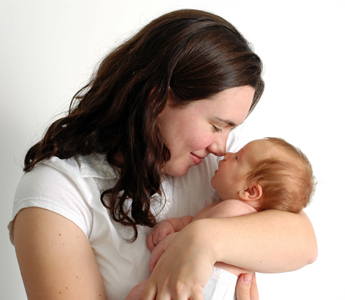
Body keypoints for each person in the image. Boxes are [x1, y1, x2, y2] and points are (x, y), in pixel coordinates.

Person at [8, 9, 317, 300]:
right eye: (215, 125)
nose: (223, 147)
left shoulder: (215, 165)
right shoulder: (59, 190)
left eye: (229, 129)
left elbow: (304, 243)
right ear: (156, 97)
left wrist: (202, 240)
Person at [136, 137, 315, 300]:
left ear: (250, 191)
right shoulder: (221, 208)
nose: (227, 153)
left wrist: (173, 239)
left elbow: (195, 238)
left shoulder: (236, 212)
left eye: (237, 158)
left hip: (210, 285)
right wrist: (172, 224)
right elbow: (193, 225)